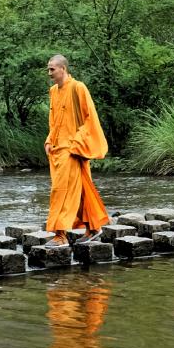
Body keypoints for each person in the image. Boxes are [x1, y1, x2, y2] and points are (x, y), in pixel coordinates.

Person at [45, 54, 110, 245]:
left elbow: (90, 117)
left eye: (52, 69)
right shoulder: (53, 91)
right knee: (80, 189)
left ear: (63, 69)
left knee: (60, 190)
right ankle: (93, 228)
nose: (49, 73)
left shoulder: (78, 87)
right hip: (58, 148)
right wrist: (49, 139)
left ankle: (60, 235)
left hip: (72, 148)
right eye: (48, 69)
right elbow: (54, 119)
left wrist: (77, 141)